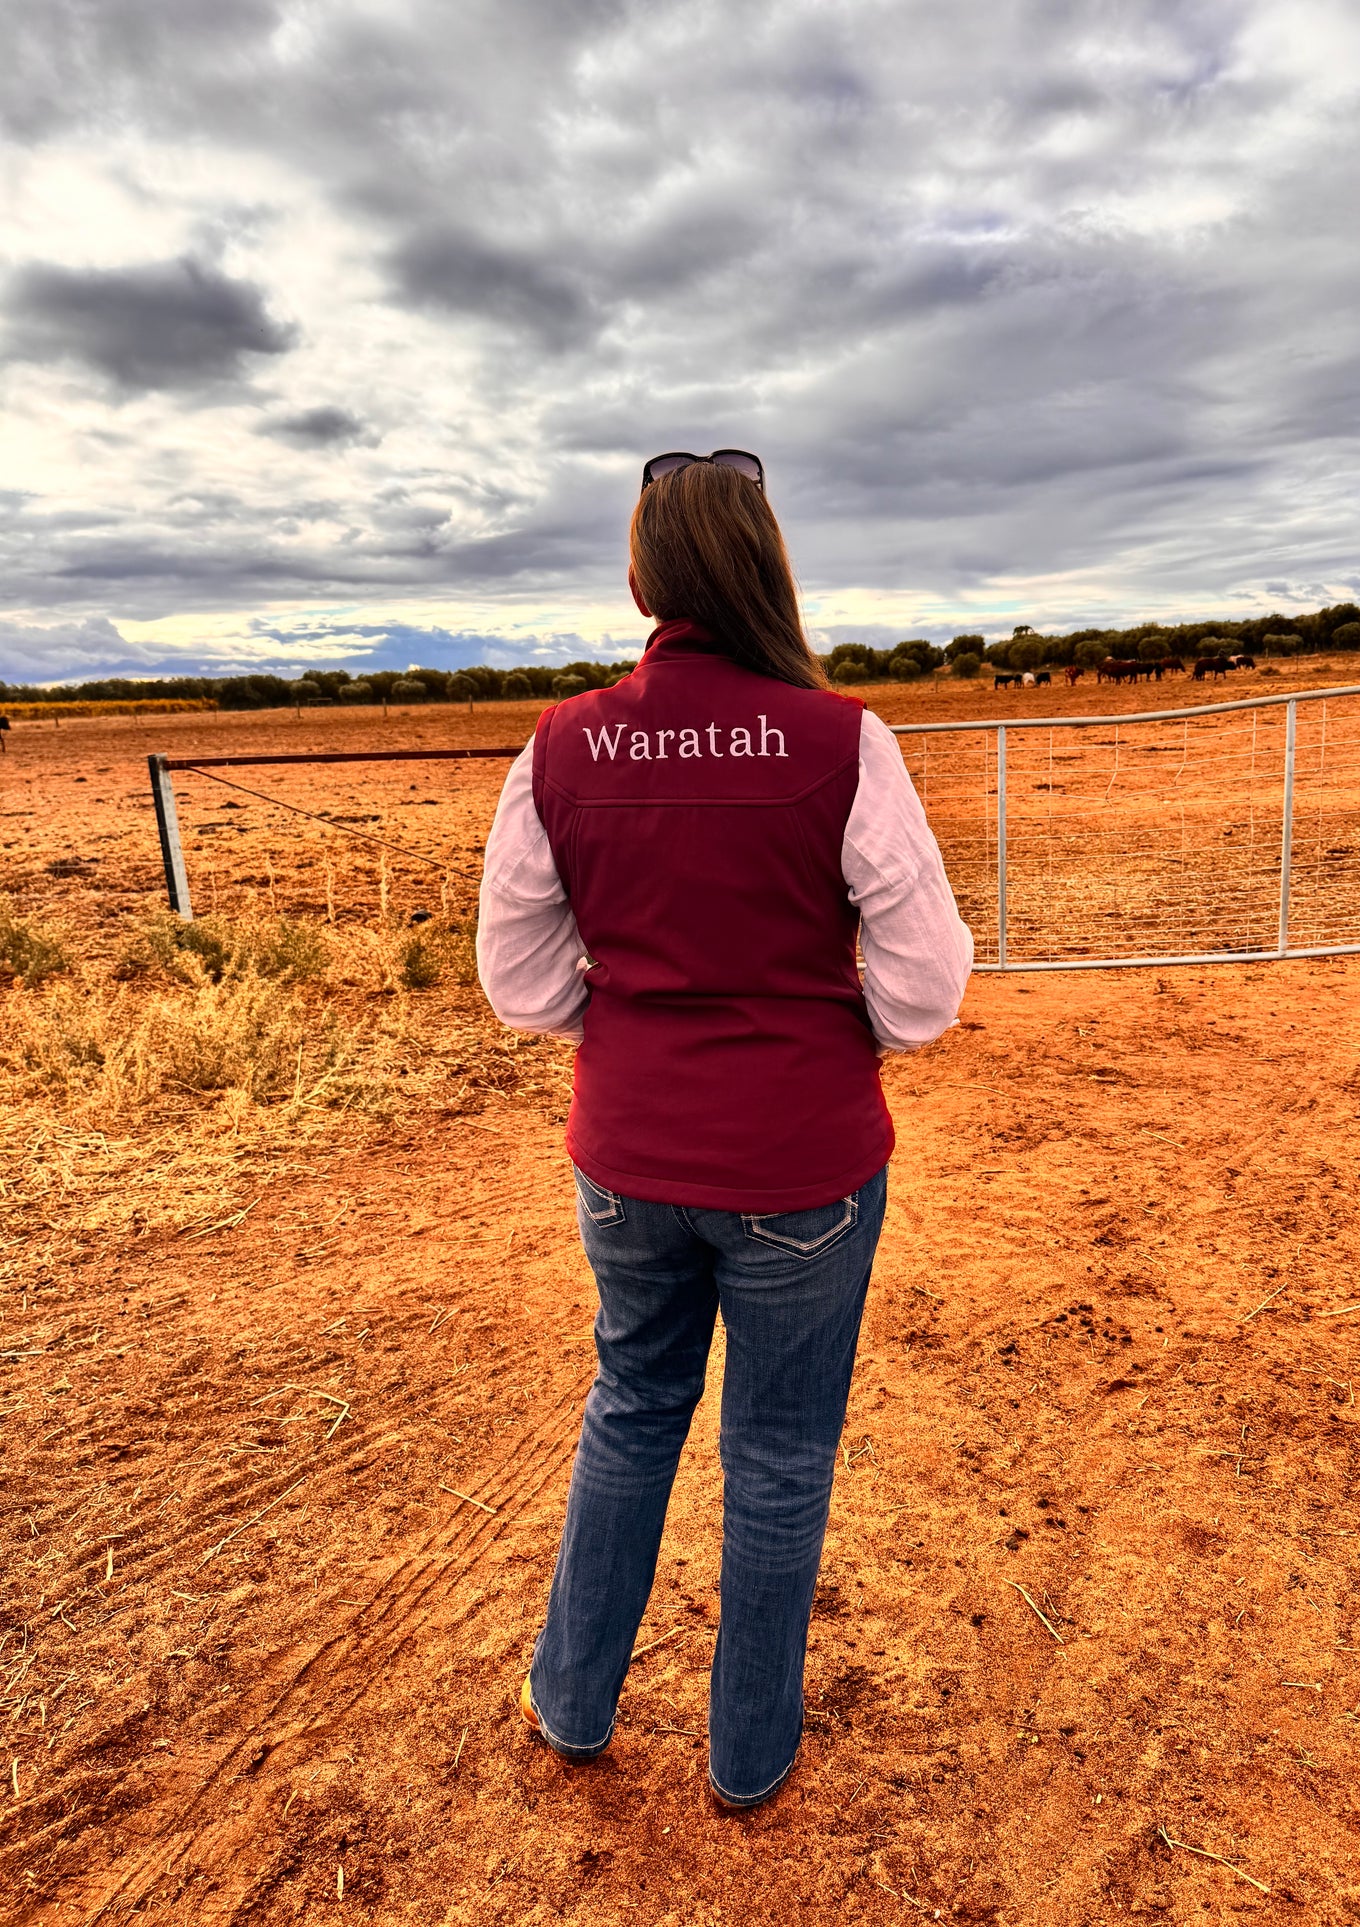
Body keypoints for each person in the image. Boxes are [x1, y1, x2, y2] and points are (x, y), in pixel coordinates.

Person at [477, 449, 971, 1809]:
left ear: (642, 577)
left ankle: (573, 1700)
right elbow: (926, 988)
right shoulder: (842, 740)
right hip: (801, 1162)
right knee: (778, 1451)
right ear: (766, 568)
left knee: (630, 1408)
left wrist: (632, 1030)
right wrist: (837, 1039)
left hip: (627, 1156)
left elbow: (518, 984)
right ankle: (748, 1754)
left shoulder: (561, 742)